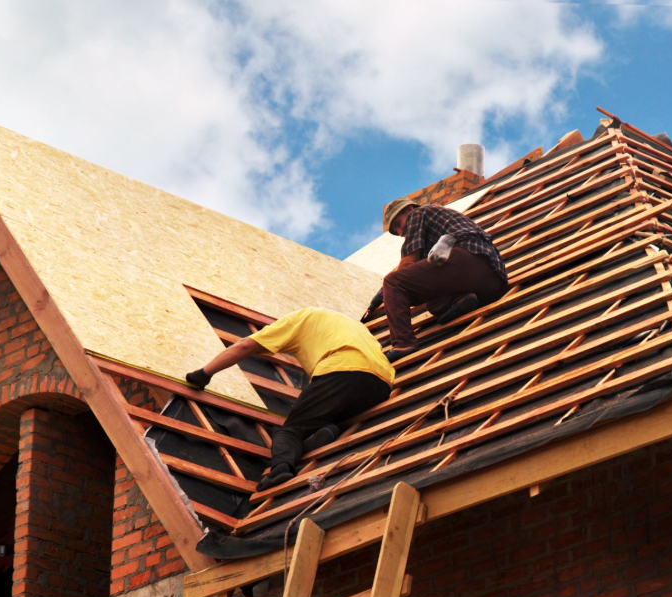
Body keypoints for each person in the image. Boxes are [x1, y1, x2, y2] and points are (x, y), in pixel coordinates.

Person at [186, 307, 394, 492]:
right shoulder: (348, 325)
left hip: (343, 369)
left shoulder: (298, 319)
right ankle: (326, 432)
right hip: (382, 383)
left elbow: (244, 346)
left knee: (289, 431)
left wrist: (204, 373)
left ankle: (281, 469)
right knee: (324, 417)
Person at [364, 198, 508, 362]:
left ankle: (403, 344)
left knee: (393, 282)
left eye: (398, 223)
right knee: (433, 303)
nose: (401, 232)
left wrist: (386, 290)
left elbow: (408, 262)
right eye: (396, 230)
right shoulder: (437, 221)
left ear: (409, 209)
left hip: (466, 259)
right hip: (494, 282)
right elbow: (421, 271)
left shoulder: (418, 214)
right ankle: (463, 299)